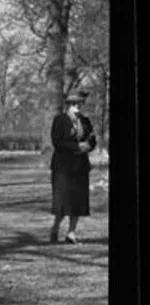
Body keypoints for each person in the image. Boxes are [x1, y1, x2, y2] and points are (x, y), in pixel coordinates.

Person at [49, 89, 97, 244]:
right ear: (68, 105)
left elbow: (92, 140)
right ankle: (55, 228)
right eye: (74, 103)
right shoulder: (59, 120)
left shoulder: (85, 121)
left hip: (80, 167)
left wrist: (88, 146)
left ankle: (71, 234)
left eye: (79, 103)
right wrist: (77, 147)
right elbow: (57, 142)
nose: (77, 106)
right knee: (63, 202)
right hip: (63, 167)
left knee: (78, 201)